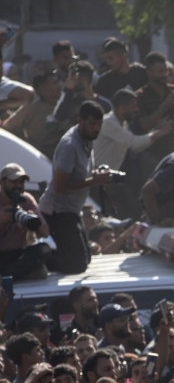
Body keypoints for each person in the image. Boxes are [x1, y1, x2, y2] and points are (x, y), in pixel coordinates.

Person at [37, 100, 112, 274]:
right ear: (80, 121)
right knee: (76, 265)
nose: (96, 129)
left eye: (99, 124)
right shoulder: (70, 146)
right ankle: (38, 257)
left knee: (86, 258)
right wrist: (94, 181)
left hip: (71, 210)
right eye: (92, 124)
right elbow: (59, 186)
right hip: (57, 212)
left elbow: (81, 172)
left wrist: (98, 175)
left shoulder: (87, 139)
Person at [93, 88, 173, 218]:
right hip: (98, 178)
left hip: (110, 177)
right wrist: (160, 132)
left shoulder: (122, 123)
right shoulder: (108, 122)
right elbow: (134, 143)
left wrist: (156, 130)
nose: (136, 110)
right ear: (122, 107)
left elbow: (136, 145)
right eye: (133, 106)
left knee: (131, 210)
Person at [132, 51, 174, 174]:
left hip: (173, 152)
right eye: (160, 72)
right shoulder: (140, 96)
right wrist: (164, 106)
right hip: (150, 156)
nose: (164, 75)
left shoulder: (173, 92)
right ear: (149, 72)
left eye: (166, 71)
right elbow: (144, 125)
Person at [0, 163, 50, 280]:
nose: (18, 186)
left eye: (21, 182)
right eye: (13, 182)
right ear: (2, 182)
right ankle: (14, 275)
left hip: (18, 254)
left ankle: (7, 276)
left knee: (44, 249)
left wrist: (32, 220)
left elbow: (45, 232)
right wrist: (4, 218)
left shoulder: (26, 199)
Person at [94, 38, 148, 103]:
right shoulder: (104, 81)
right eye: (106, 59)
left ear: (123, 57)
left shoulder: (142, 74)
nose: (108, 63)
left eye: (110, 58)